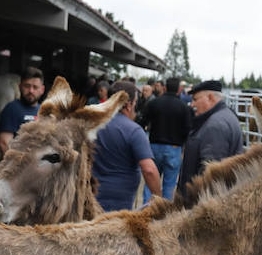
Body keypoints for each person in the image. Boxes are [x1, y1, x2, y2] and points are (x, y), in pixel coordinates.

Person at [91, 80, 160, 212]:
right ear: (129, 105)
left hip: (91, 197)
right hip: (118, 204)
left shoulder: (93, 126)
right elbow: (149, 170)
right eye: (135, 103)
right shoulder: (134, 131)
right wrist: (158, 197)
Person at [176, 79, 244, 197]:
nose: (192, 104)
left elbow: (210, 175)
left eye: (195, 99)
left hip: (203, 202)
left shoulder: (215, 126)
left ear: (210, 97)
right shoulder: (225, 116)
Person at [140, 75, 193, 201]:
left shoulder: (154, 103)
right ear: (179, 89)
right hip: (174, 148)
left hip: (154, 146)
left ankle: (146, 211)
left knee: (150, 182)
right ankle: (164, 214)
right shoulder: (184, 107)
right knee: (169, 184)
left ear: (164, 87)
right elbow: (188, 129)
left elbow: (143, 122)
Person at [0, 66, 44, 151]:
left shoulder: (44, 111)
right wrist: (22, 163)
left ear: (42, 90)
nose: (31, 91)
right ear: (20, 86)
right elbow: (4, 143)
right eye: (27, 86)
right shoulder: (12, 109)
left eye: (35, 87)